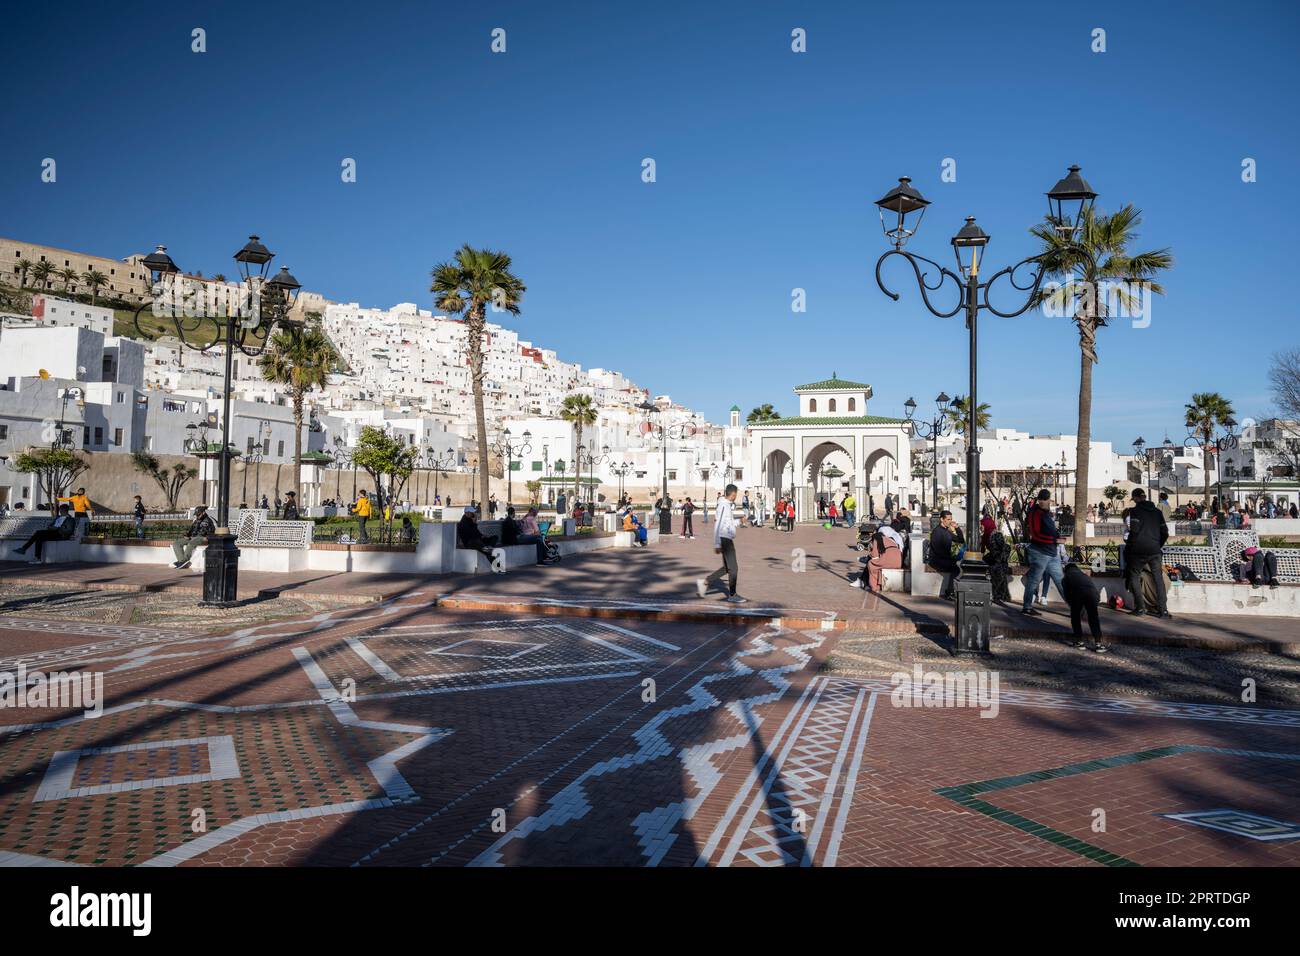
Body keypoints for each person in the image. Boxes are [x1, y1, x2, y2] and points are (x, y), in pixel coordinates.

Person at [1122, 487, 1171, 618]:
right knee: (1158, 578)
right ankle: (1163, 610)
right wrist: (1157, 544)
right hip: (1154, 550)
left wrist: (1130, 548)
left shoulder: (1134, 511)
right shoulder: (1157, 512)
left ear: (1137, 498)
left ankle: (1140, 608)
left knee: (1134, 576)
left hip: (1138, 550)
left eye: (1134, 499)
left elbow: (1134, 532)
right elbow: (1165, 532)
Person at [1021, 490, 1065, 616]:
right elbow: (1035, 534)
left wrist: (1056, 536)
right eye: (1046, 500)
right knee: (1034, 581)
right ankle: (1027, 607)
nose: (1047, 503)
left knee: (1061, 581)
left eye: (1048, 500)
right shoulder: (1036, 513)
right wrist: (1055, 539)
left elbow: (1048, 531)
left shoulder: (1045, 513)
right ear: (1041, 500)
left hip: (1051, 552)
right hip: (1040, 552)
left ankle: (1074, 607)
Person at [700, 483, 745, 603]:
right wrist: (717, 544)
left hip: (726, 538)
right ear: (733, 494)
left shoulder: (726, 505)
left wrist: (739, 521)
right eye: (736, 494)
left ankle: (707, 581)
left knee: (727, 568)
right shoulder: (724, 506)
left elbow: (728, 523)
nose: (736, 497)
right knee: (734, 568)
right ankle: (732, 594)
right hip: (725, 539)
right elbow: (718, 524)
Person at [1062, 562, 1106, 652]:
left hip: (1077, 595)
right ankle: (1099, 644)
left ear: (1065, 571)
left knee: (1075, 618)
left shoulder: (1066, 578)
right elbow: (1093, 589)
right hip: (1093, 595)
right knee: (1093, 619)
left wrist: (1074, 607)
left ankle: (1079, 642)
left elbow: (1067, 596)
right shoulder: (1084, 576)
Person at [12, 504, 77, 563]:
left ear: (64, 510)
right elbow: (50, 525)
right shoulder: (58, 518)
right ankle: (37, 558)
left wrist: (58, 528)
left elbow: (69, 531)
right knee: (39, 537)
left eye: (60, 509)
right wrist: (51, 527)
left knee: (39, 533)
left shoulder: (70, 519)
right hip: (52, 532)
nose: (60, 511)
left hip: (61, 534)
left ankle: (24, 549)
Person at [852, 526, 904, 591]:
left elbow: (874, 556)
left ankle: (874, 586)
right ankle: (865, 581)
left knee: (871, 564)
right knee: (877, 564)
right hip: (899, 562)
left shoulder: (877, 540)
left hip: (889, 561)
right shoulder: (891, 539)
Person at [929, 510, 961, 600]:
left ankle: (950, 591)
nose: (950, 521)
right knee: (956, 569)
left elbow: (960, 540)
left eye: (951, 519)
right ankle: (949, 592)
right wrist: (950, 558)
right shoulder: (937, 532)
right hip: (936, 560)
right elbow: (937, 550)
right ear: (942, 519)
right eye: (948, 519)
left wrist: (957, 528)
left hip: (944, 559)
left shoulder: (947, 531)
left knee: (956, 566)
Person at [984, 531, 1013, 604]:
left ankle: (998, 596)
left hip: (999, 567)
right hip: (997, 567)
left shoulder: (1005, 547)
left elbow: (1002, 558)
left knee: (999, 576)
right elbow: (994, 558)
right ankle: (1001, 596)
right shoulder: (995, 548)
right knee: (1000, 576)